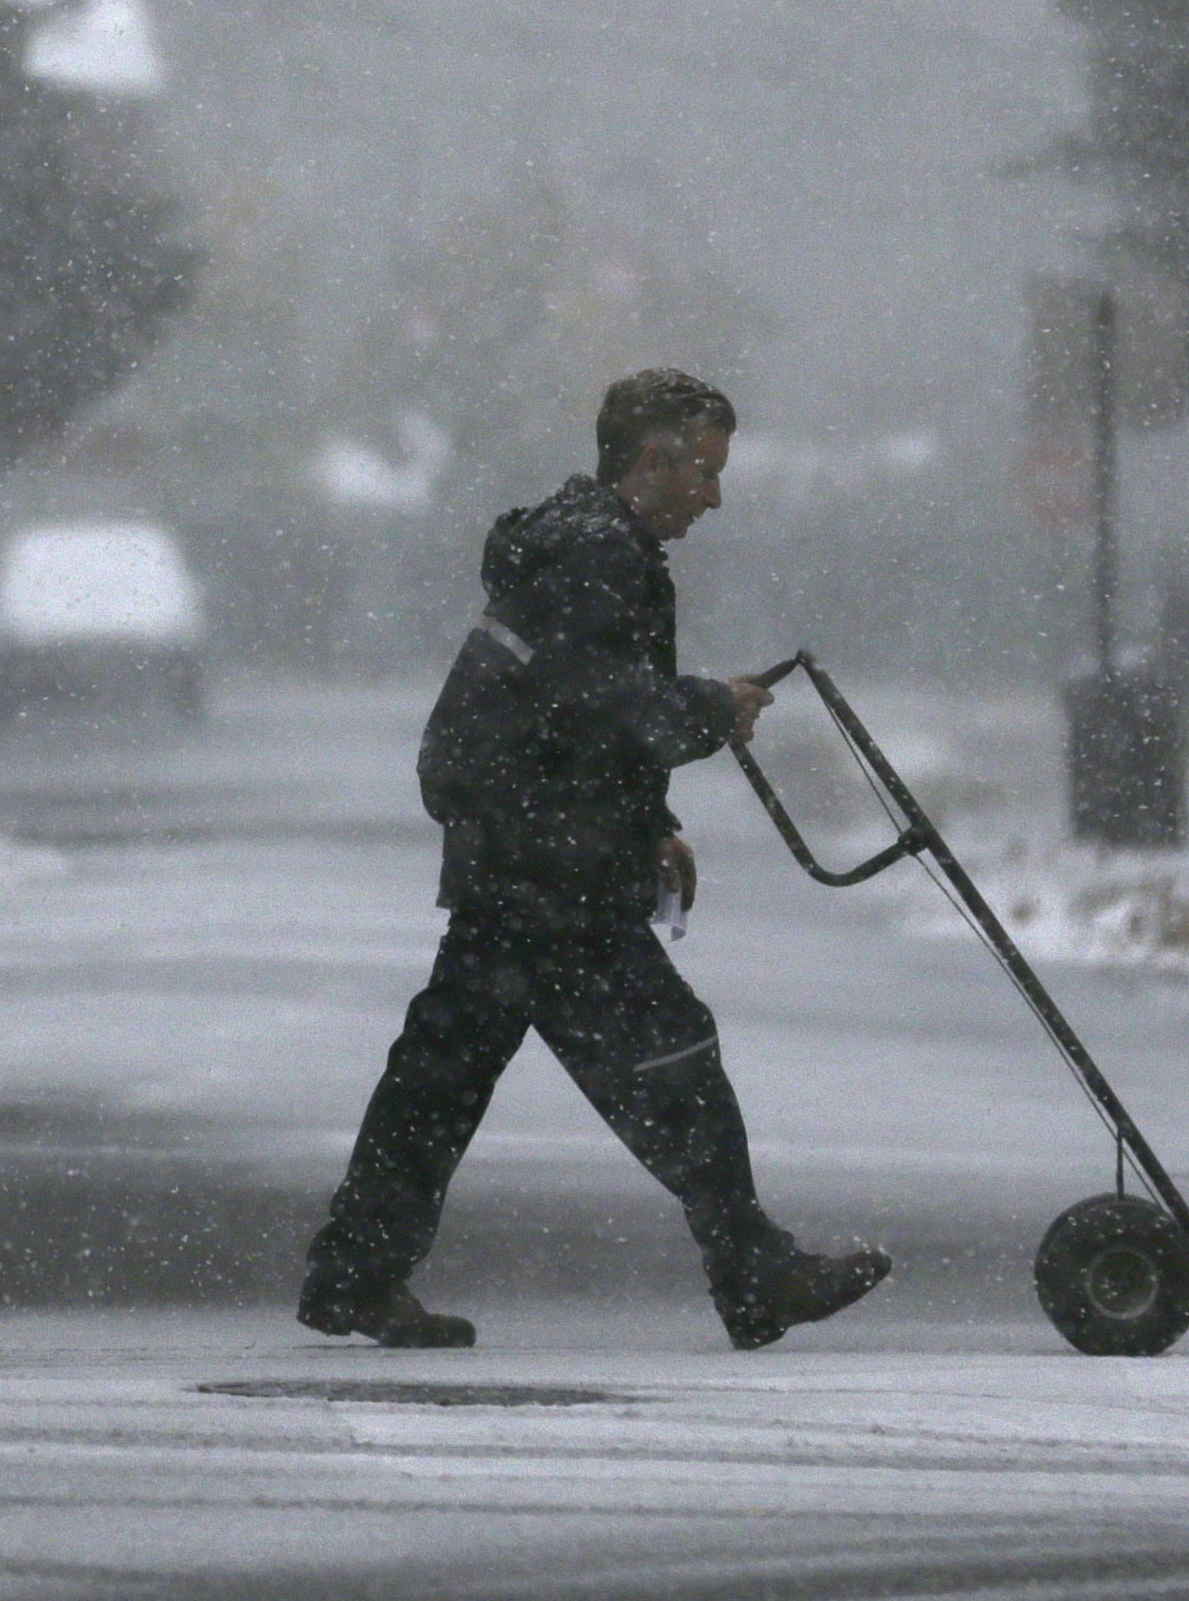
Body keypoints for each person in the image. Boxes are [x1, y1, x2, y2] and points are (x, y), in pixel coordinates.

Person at [298, 368, 892, 1352]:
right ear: (652, 460)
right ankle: (752, 1271)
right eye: (703, 470)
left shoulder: (589, 547)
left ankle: (354, 1272)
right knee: (669, 1054)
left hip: (523, 854)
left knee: (440, 1074)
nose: (712, 495)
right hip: (546, 870)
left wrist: (647, 819)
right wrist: (709, 707)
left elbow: (571, 711)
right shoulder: (594, 556)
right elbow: (596, 701)